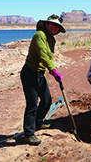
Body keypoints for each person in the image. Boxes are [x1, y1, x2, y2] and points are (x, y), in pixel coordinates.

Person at [18, 14, 65, 145]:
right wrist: (53, 71)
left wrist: (54, 69)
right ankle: (29, 134)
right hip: (29, 73)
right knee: (32, 104)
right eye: (52, 24)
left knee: (47, 100)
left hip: (39, 74)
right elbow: (43, 54)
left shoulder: (52, 40)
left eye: (57, 26)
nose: (54, 27)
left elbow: (49, 57)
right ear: (46, 24)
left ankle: (38, 123)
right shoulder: (40, 35)